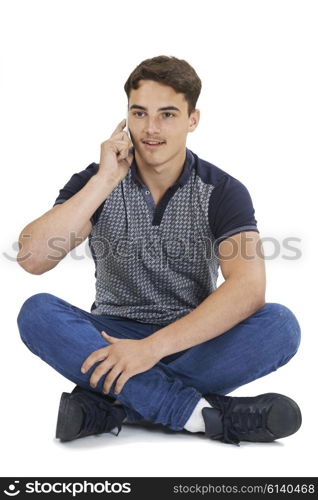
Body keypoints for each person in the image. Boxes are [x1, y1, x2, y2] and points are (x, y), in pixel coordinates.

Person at [16, 55, 302, 446]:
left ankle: (112, 405)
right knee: (36, 312)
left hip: (192, 337)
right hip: (110, 336)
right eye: (139, 113)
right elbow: (32, 258)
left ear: (192, 120)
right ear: (126, 117)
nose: (150, 129)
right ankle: (205, 416)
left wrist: (150, 350)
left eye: (167, 114)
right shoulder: (95, 181)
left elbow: (249, 289)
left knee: (280, 325)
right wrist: (105, 180)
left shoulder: (223, 191)